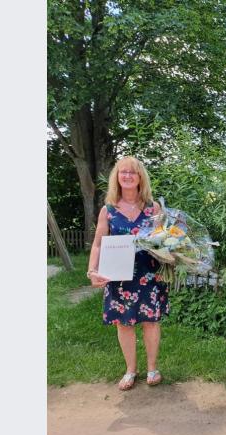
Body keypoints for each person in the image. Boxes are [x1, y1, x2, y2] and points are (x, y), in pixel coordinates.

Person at [87, 156, 169, 391]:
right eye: (123, 172)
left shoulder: (154, 208)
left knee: (151, 322)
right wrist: (92, 270)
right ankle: (131, 370)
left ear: (140, 177)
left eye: (133, 172)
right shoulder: (108, 210)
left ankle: (152, 369)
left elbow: (165, 241)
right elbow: (98, 244)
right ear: (117, 177)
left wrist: (169, 260)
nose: (128, 176)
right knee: (124, 324)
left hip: (149, 274)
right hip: (119, 277)